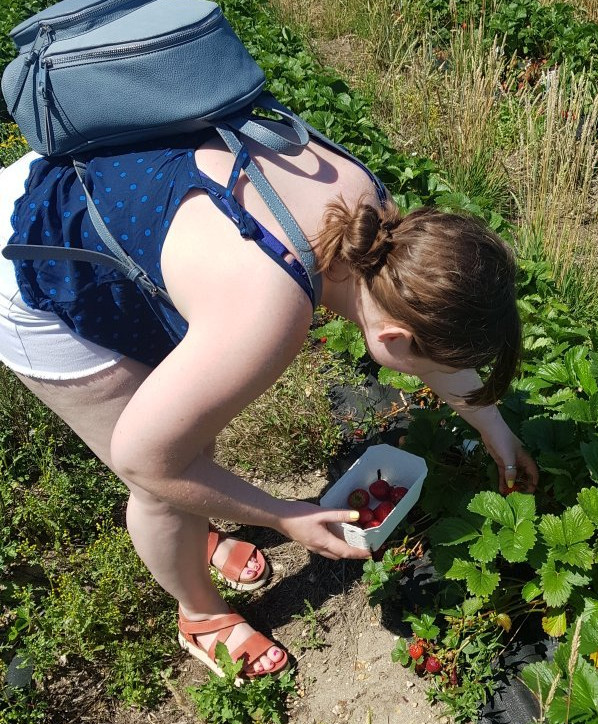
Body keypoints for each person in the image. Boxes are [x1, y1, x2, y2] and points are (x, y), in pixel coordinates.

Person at [0, 123, 539, 682]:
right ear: (394, 340)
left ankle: (197, 536)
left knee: (189, 444)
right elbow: (145, 460)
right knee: (162, 482)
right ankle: (201, 615)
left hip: (102, 185)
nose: (444, 376)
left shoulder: (373, 211)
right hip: (38, 252)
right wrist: (284, 516)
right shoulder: (272, 311)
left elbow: (429, 327)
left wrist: (494, 428)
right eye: (438, 367)